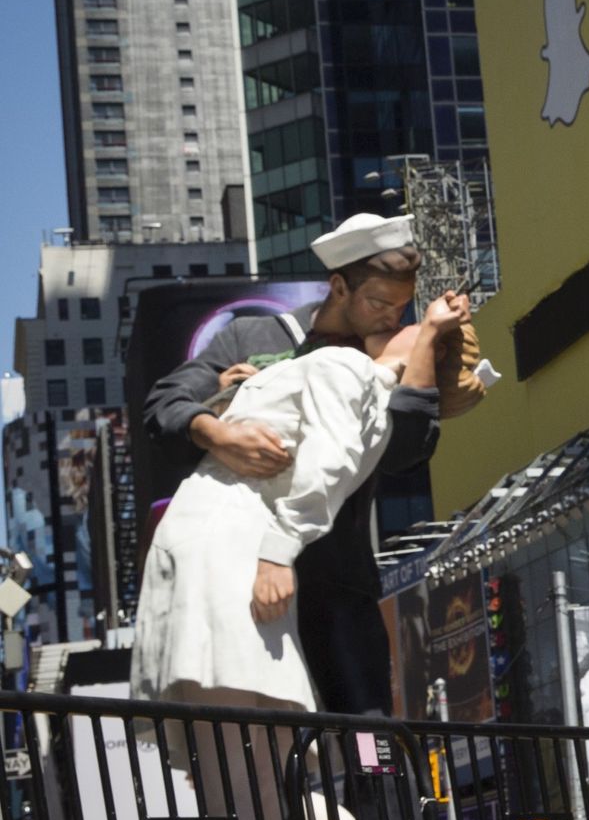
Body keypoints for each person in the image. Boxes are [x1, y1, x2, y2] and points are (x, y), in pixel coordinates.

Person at [130, 294, 483, 820]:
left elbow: (319, 473)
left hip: (222, 551)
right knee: (270, 792)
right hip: (231, 557)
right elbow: (173, 406)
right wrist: (224, 399)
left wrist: (273, 548)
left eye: (403, 320)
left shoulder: (349, 373)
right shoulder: (349, 381)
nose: (391, 321)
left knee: (237, 799)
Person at [144, 213, 448, 717]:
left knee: (368, 740)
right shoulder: (254, 337)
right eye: (378, 302)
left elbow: (407, 452)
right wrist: (217, 430)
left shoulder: (391, 357)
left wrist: (421, 357)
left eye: (401, 307)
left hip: (337, 582)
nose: (390, 319)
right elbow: (165, 404)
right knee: (260, 739)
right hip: (240, 579)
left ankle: (378, 796)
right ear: (338, 287)